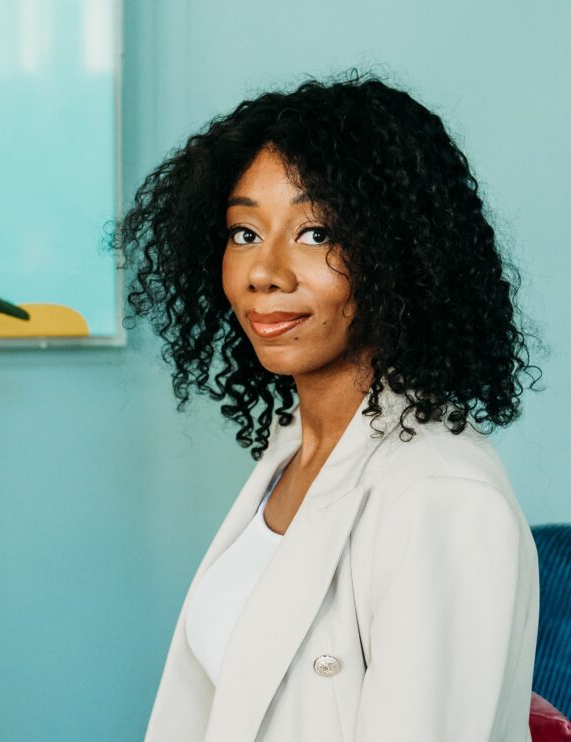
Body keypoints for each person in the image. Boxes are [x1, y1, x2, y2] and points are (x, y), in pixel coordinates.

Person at [114, 71, 545, 742]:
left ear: (400, 255)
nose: (266, 272)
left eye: (316, 233)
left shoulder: (441, 496)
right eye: (245, 233)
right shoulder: (295, 451)